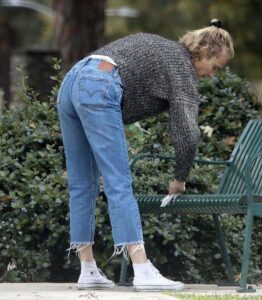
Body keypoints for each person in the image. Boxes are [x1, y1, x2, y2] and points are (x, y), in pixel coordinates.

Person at [56, 19, 234, 291]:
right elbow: (187, 131)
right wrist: (180, 178)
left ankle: (88, 268)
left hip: (73, 81)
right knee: (118, 181)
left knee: (81, 184)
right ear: (205, 49)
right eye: (215, 67)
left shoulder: (165, 50)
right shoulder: (182, 66)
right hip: (100, 82)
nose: (212, 75)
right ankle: (141, 268)